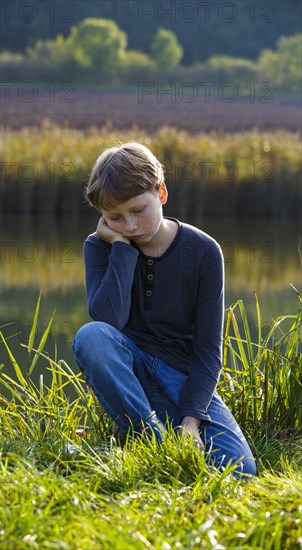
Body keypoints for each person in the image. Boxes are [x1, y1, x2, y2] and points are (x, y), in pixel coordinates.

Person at [72, 142, 256, 476]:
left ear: (161, 193)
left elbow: (208, 351)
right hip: (130, 372)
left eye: (138, 210)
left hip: (181, 380)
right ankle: (154, 444)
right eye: (114, 217)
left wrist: (191, 419)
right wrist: (122, 250)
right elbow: (108, 319)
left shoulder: (204, 252)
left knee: (240, 470)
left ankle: (167, 432)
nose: (129, 225)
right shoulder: (100, 246)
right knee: (91, 337)